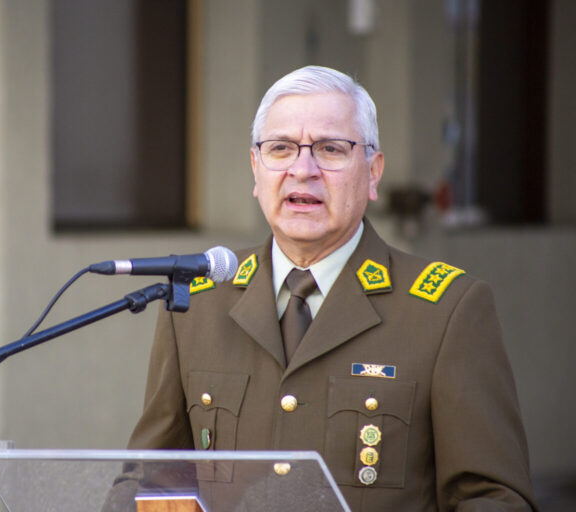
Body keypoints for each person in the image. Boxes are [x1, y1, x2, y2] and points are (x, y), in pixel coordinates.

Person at [126, 66, 537, 511]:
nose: (303, 170)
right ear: (255, 168)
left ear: (373, 172)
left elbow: (491, 499)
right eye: (281, 149)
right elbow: (152, 479)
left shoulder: (447, 312)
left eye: (330, 149)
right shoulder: (195, 303)